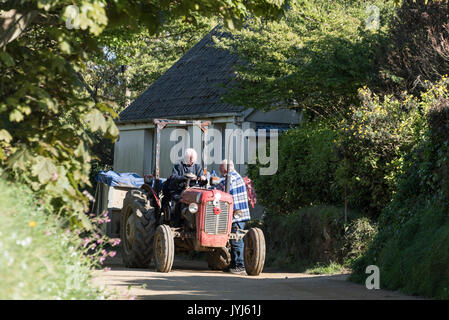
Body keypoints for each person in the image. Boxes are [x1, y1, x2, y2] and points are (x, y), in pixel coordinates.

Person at [217, 159, 251, 275]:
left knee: (236, 240)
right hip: (242, 213)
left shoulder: (228, 179)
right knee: (235, 239)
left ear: (225, 169)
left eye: (221, 170)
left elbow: (216, 191)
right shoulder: (238, 177)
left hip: (235, 215)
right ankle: (233, 264)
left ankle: (239, 265)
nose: (220, 172)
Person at [162, 148, 206, 226]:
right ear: (186, 159)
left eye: (193, 162)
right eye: (191, 162)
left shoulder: (197, 166)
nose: (192, 163)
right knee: (180, 201)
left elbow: (202, 179)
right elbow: (174, 177)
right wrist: (185, 177)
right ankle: (176, 224)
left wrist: (203, 178)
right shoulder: (178, 165)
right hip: (178, 190)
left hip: (192, 190)